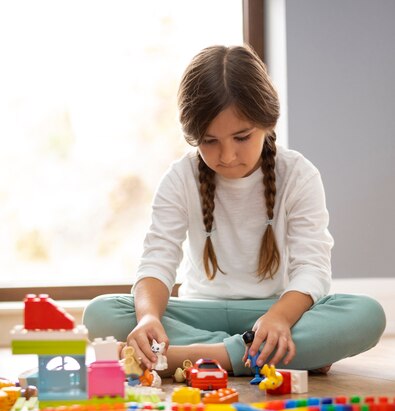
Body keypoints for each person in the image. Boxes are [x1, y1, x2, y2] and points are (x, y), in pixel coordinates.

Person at [83, 44, 386, 377]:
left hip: (271, 312)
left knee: (367, 314)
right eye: (209, 141)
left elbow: (311, 269)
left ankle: (189, 357)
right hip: (198, 311)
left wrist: (280, 318)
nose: (227, 155)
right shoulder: (180, 177)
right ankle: (265, 354)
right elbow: (157, 259)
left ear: (267, 122)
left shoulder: (299, 174)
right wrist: (149, 318)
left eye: (242, 137)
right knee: (101, 313)